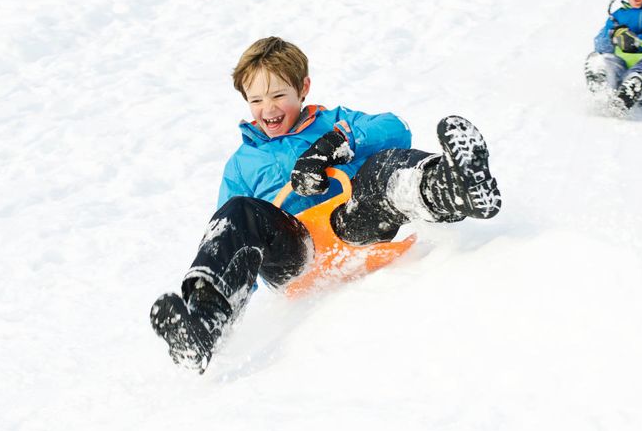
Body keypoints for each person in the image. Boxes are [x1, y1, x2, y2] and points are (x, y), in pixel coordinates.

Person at [149, 37, 502, 373]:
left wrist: (333, 144)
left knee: (380, 171)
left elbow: (396, 127)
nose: (267, 108)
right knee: (238, 213)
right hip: (294, 255)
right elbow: (232, 240)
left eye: (278, 95)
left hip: (351, 223)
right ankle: (204, 325)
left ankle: (456, 188)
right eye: (256, 100)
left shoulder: (333, 122)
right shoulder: (242, 164)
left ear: (303, 88)